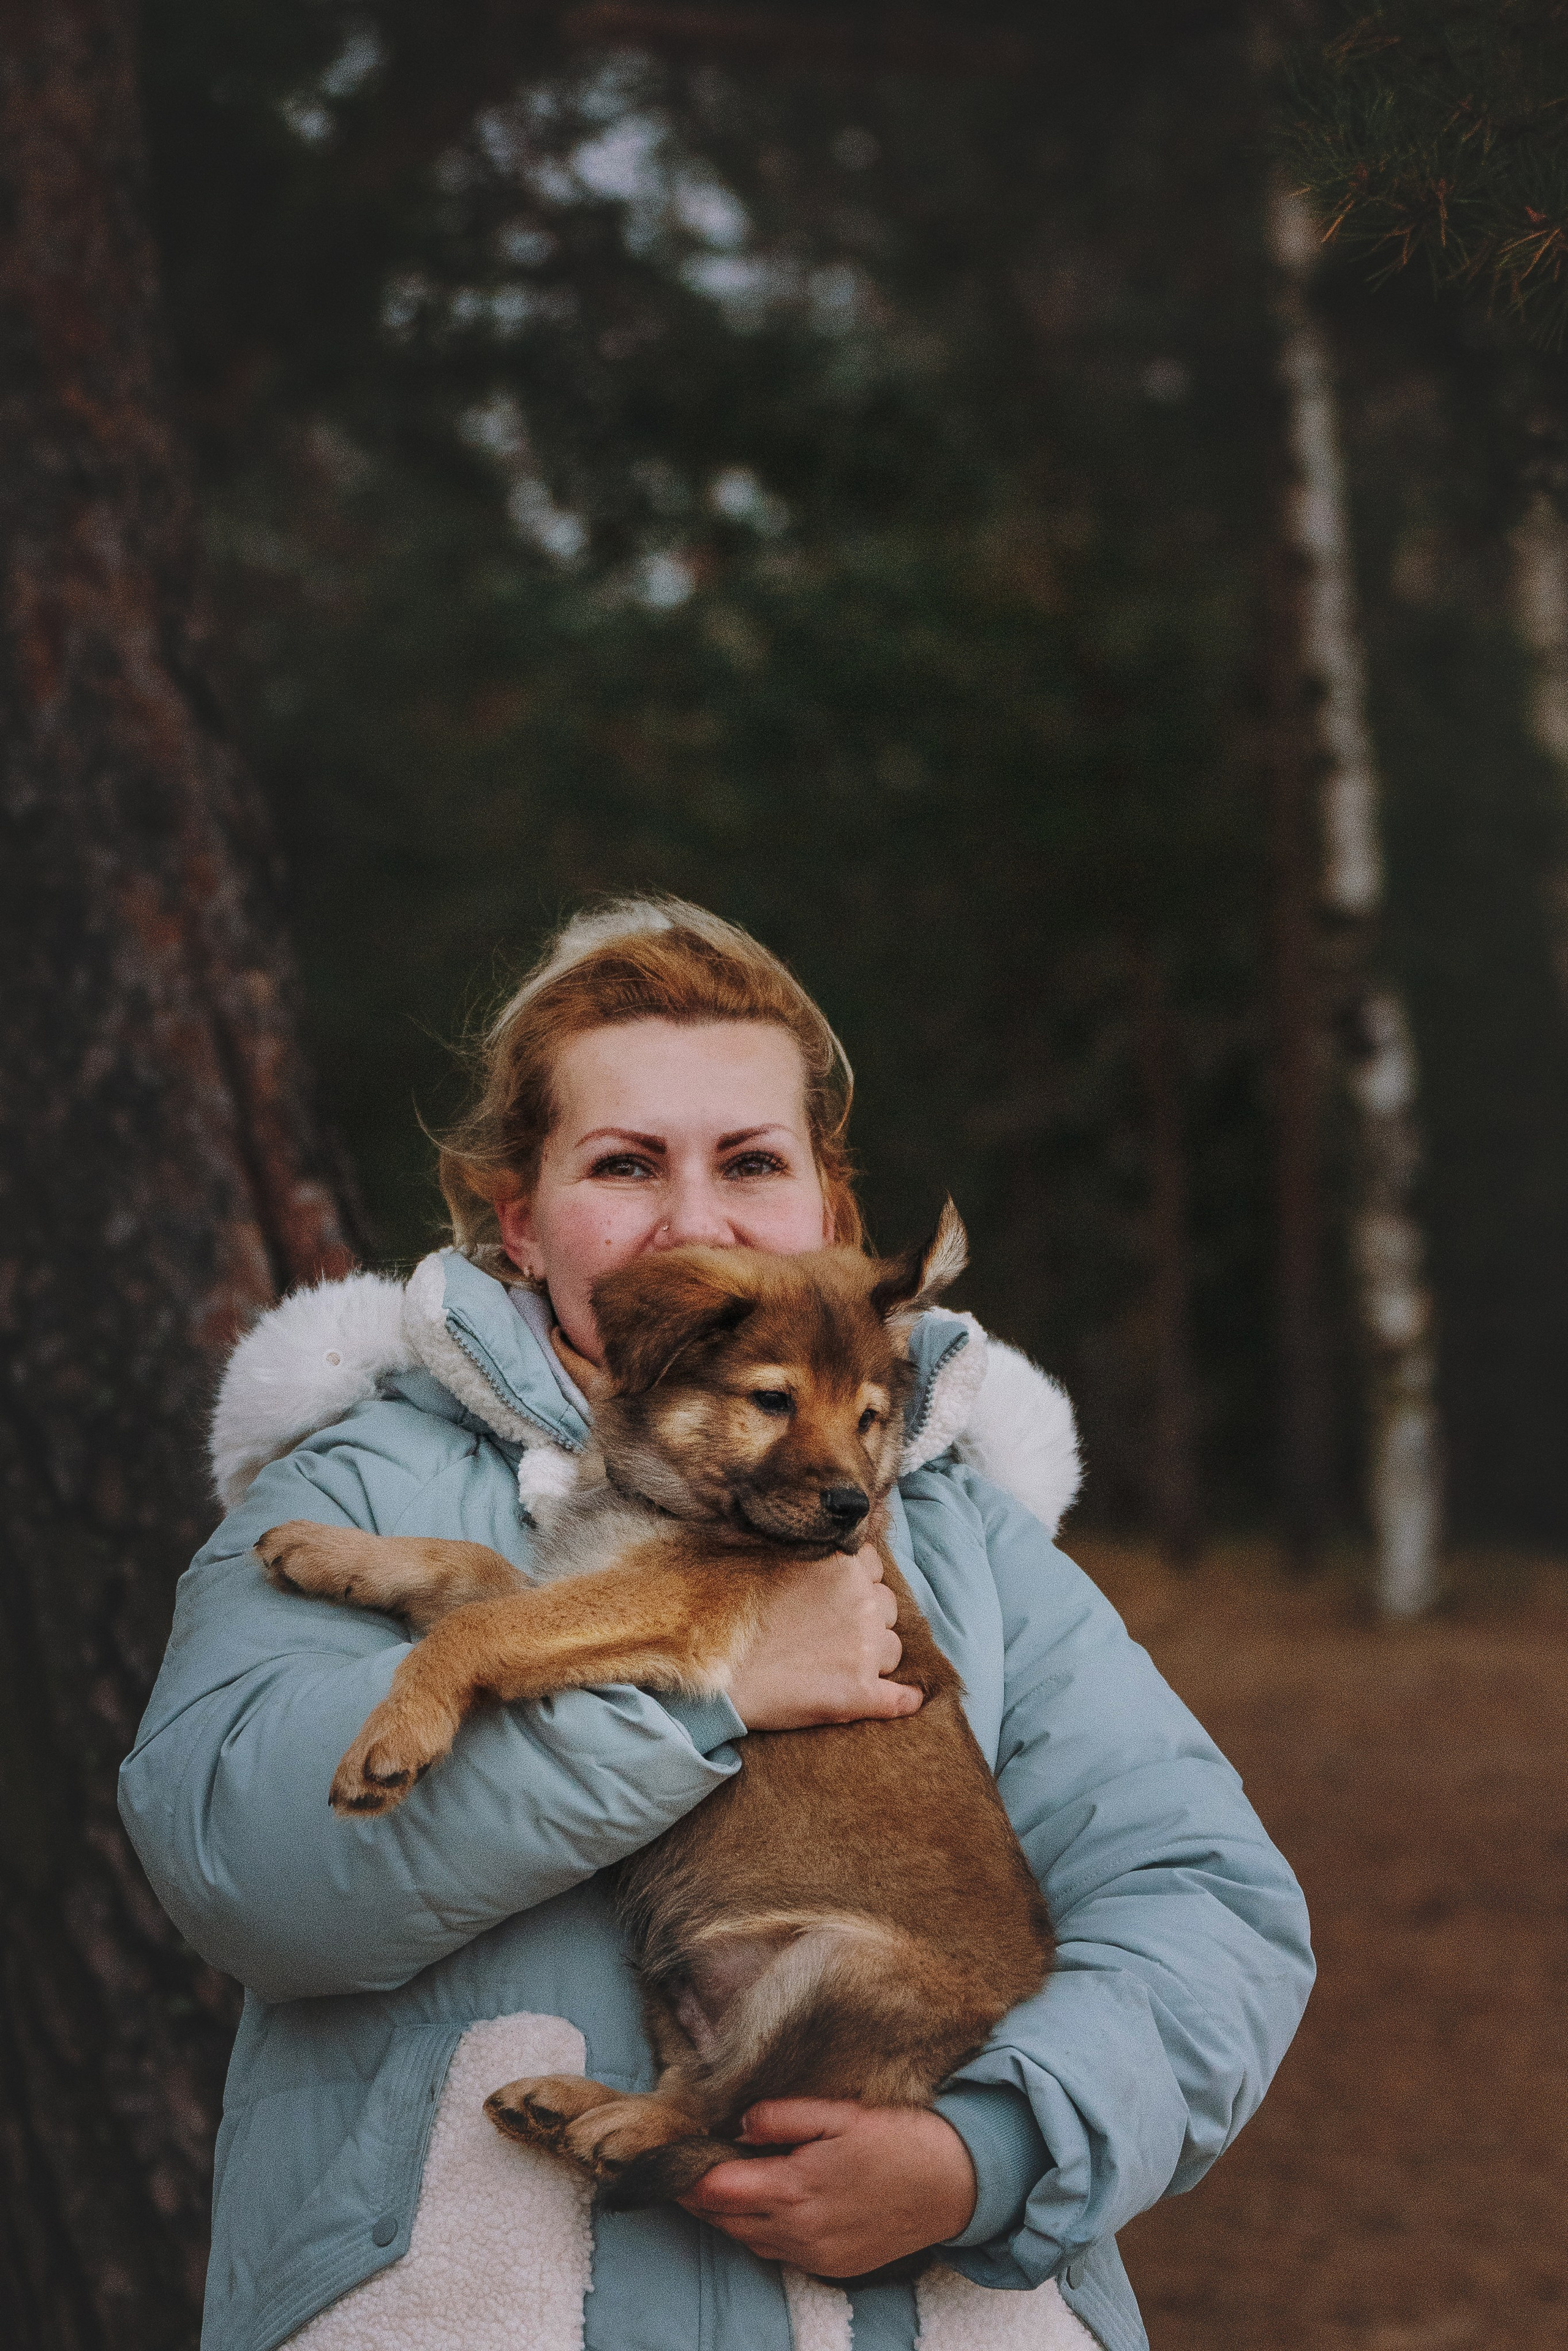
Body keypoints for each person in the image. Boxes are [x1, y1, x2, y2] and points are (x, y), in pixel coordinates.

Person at [121, 899, 1313, 2351]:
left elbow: (1207, 1905)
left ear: (828, 1207)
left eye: (750, 1161)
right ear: (518, 1214)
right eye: (624, 1164)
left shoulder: (960, 1533)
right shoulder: (346, 1474)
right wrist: (702, 1695)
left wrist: (983, 2153)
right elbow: (240, 1862)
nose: (693, 1220)